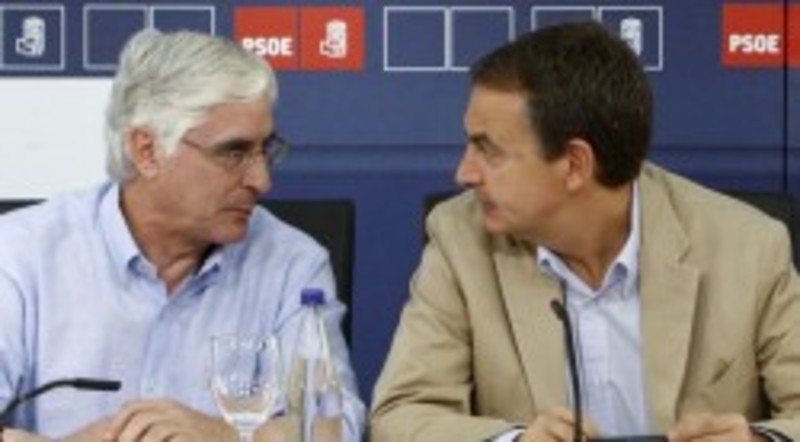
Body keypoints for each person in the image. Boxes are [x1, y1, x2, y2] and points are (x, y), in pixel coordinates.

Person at [370, 21, 800, 442]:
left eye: (489, 150)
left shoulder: (749, 248)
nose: (465, 173)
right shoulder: (461, 239)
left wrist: (760, 441)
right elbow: (401, 416)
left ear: (575, 164)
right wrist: (515, 441)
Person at [0, 29, 365, 441]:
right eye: (234, 152)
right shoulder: (19, 255)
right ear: (147, 151)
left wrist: (226, 437)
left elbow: (337, 428)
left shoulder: (291, 265)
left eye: (265, 150)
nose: (261, 180)